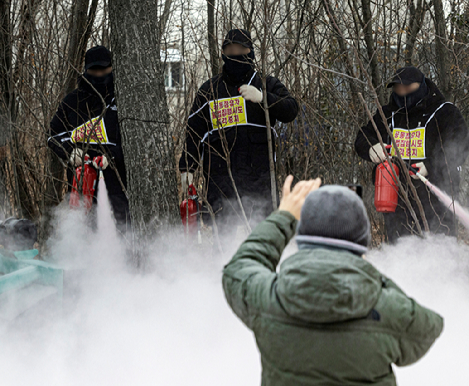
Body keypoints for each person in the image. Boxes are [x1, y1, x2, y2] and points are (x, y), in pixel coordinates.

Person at [223, 175, 444, 385]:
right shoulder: (386, 309)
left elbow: (239, 268)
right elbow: (430, 326)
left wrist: (284, 216)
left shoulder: (270, 299)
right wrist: (365, 270)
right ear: (360, 243)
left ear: (302, 238)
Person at [179, 29, 298, 233]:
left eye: (241, 49)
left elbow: (291, 109)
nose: (235, 54)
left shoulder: (265, 83)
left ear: (250, 52)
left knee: (262, 243)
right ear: (223, 53)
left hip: (260, 187)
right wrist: (187, 167)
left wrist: (263, 98)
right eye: (230, 50)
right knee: (223, 246)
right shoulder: (209, 91)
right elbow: (194, 132)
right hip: (220, 188)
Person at [355, 66, 469, 243]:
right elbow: (363, 136)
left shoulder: (445, 112)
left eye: (408, 87)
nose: (402, 92)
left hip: (436, 202)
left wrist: (430, 165)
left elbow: (459, 144)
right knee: (401, 255)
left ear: (421, 85)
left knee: (440, 253)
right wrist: (372, 147)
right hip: (396, 203)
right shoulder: (387, 115)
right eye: (398, 88)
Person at [48, 46, 130, 231]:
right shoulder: (72, 102)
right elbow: (53, 135)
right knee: (83, 230)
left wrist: (114, 155)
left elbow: (136, 141)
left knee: (123, 229)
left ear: (112, 67)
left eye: (104, 69)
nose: (99, 74)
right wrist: (70, 150)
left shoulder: (123, 100)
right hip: (81, 182)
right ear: (86, 70)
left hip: (117, 183)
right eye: (95, 70)